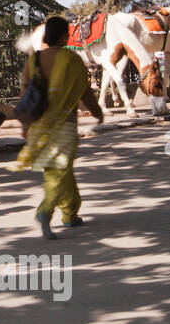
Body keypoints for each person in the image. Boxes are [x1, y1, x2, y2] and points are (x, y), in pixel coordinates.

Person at [11, 16, 105, 239]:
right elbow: (85, 91)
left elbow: (25, 93)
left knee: (61, 171)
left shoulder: (33, 60)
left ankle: (70, 213)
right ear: (64, 36)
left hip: (38, 126)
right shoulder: (72, 59)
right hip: (64, 124)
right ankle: (45, 210)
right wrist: (97, 111)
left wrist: (25, 124)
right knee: (59, 174)